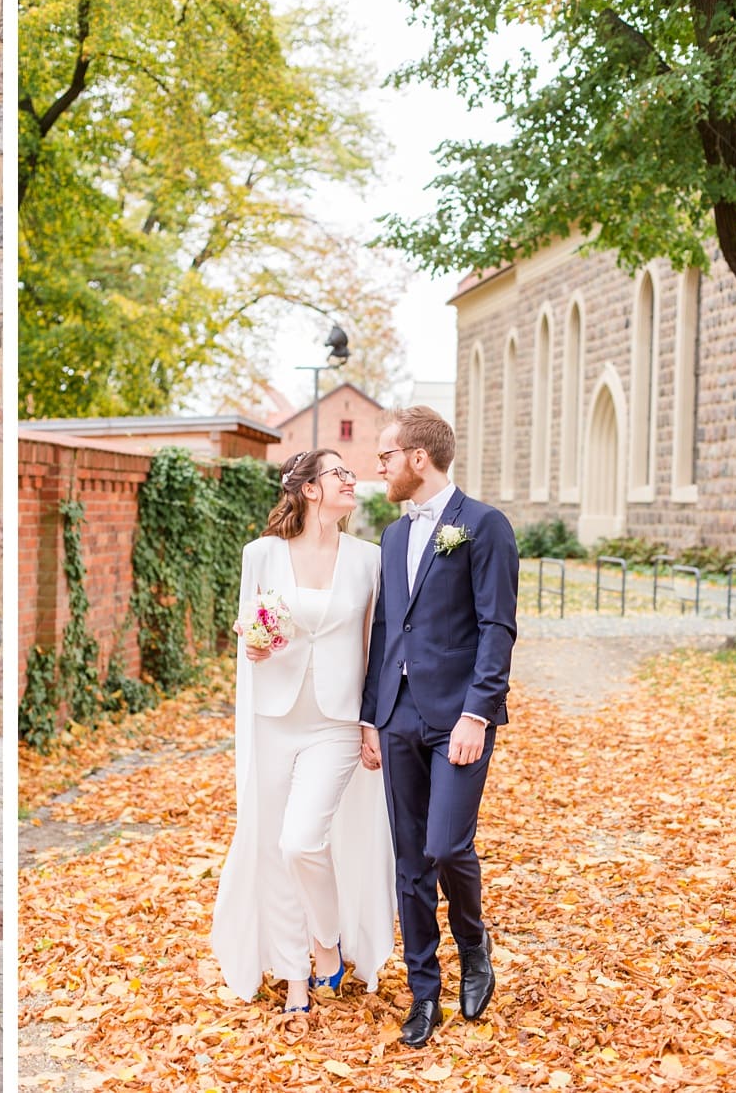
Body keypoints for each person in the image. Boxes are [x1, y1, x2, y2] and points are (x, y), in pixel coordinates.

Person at [211, 448, 395, 1014]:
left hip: (337, 720)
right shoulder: (261, 555)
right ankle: (294, 976)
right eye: (339, 472)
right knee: (272, 845)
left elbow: (378, 647)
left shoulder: (369, 559)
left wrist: (372, 723)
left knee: (302, 840)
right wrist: (256, 643)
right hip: (274, 716)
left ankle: (328, 943)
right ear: (309, 489)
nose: (351, 479)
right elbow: (251, 637)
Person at [360, 406, 517, 1047]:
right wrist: (371, 717)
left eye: (387, 457)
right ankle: (424, 992)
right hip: (397, 718)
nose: (381, 468)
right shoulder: (393, 538)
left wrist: (477, 712)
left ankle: (474, 945)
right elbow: (383, 631)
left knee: (447, 846)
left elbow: (497, 629)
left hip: (459, 717)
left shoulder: (484, 526)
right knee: (408, 862)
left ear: (418, 458)